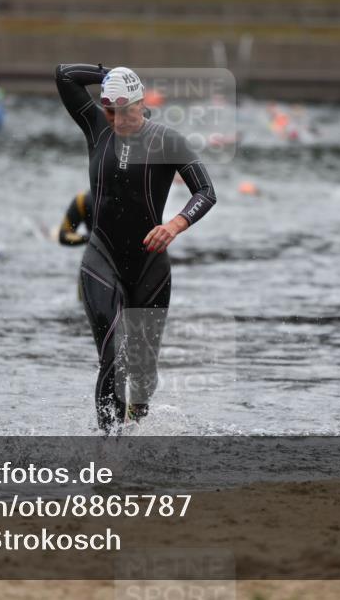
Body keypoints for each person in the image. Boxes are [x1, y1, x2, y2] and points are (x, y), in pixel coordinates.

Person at [55, 63, 216, 433]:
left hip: (149, 267)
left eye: (125, 110)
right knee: (112, 357)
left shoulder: (166, 140)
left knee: (143, 371)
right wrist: (110, 74)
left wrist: (175, 225)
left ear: (141, 104)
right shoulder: (97, 128)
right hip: (102, 257)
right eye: (110, 109)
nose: (117, 118)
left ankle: (133, 428)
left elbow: (206, 192)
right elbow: (64, 75)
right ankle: (107, 444)